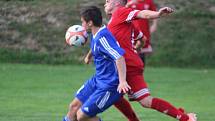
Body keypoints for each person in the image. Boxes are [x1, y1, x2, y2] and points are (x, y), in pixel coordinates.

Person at [104, 0, 197, 121]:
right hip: (125, 65)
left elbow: (144, 14)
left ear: (117, 2)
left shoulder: (121, 12)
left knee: (142, 100)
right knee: (116, 95)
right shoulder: (120, 22)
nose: (105, 2)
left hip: (128, 66)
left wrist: (157, 14)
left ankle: (185, 118)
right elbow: (142, 38)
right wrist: (135, 48)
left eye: (108, 0)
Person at [63, 6, 131, 121]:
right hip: (98, 79)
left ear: (90, 23)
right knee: (73, 107)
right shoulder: (96, 35)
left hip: (109, 85)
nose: (81, 25)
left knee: (81, 116)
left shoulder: (102, 37)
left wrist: (123, 81)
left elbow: (119, 57)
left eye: (82, 22)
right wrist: (90, 55)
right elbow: (100, 49)